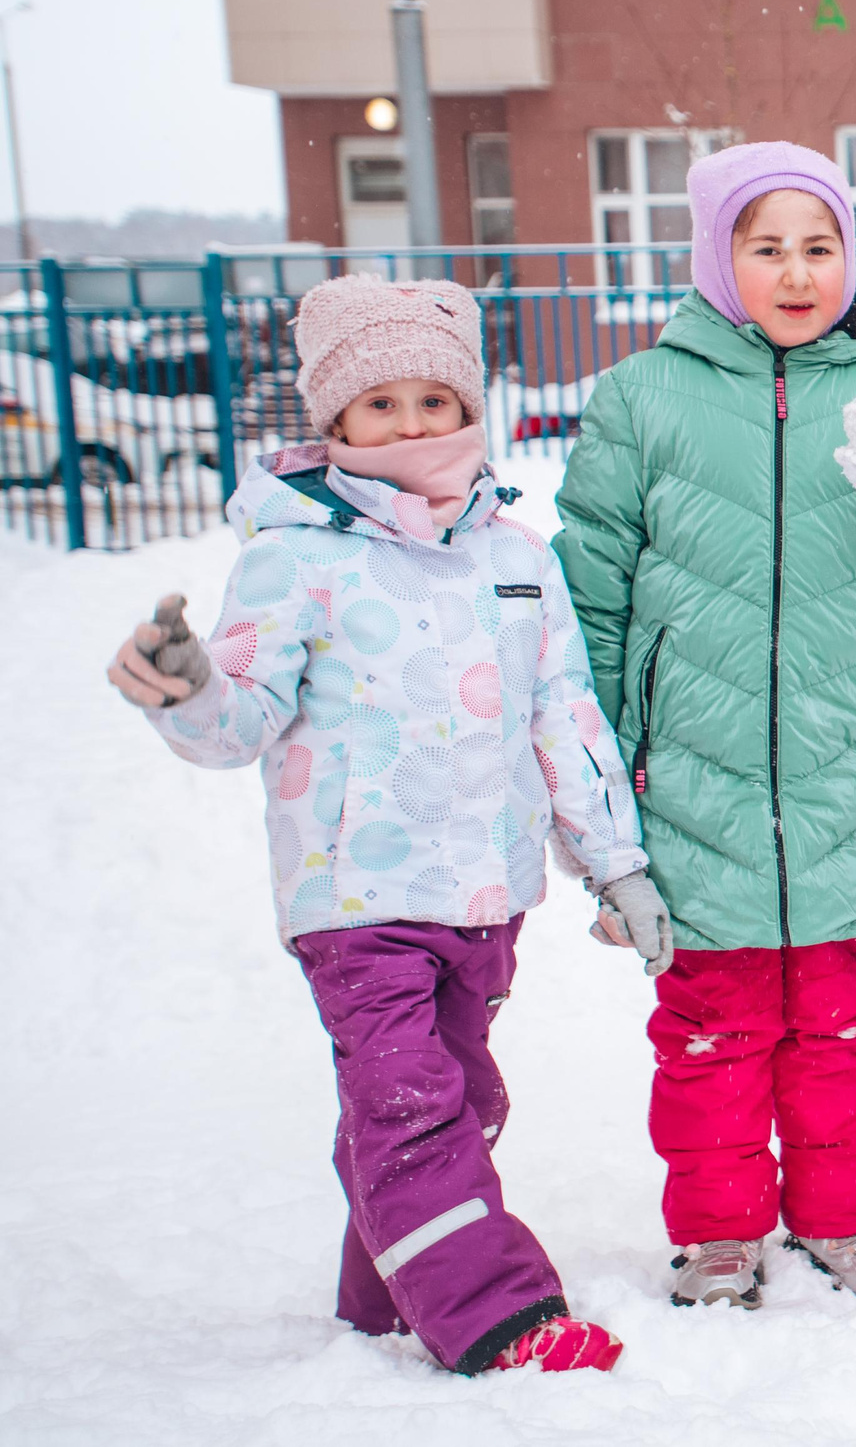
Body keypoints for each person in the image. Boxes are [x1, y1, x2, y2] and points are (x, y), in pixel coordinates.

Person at [105, 275, 642, 1375]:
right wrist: (187, 690)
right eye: (379, 404)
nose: (410, 424)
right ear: (334, 421)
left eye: (432, 401)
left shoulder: (515, 560)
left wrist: (613, 866)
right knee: (408, 1105)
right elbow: (241, 721)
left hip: (483, 895)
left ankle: (387, 1293)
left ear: (468, 410)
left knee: (459, 1097)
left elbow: (564, 720)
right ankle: (497, 1315)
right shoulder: (295, 558)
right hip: (355, 898)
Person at [553, 140, 856, 1311]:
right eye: (766, 246)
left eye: (820, 247)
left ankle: (844, 1222)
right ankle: (720, 1234)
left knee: (838, 1025)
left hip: (844, 767)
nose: (797, 273)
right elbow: (591, 586)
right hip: (689, 769)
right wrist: (593, 779)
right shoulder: (645, 397)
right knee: (707, 1026)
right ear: (716, 257)